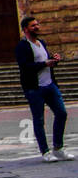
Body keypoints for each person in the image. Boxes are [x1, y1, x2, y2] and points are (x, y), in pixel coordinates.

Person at [16, 16, 71, 162]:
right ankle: (45, 152)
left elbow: (44, 61)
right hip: (34, 88)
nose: (37, 27)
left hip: (50, 85)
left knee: (62, 113)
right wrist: (45, 64)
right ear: (26, 29)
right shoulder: (22, 46)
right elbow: (25, 67)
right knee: (39, 120)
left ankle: (58, 148)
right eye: (33, 25)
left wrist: (53, 60)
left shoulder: (42, 43)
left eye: (37, 24)